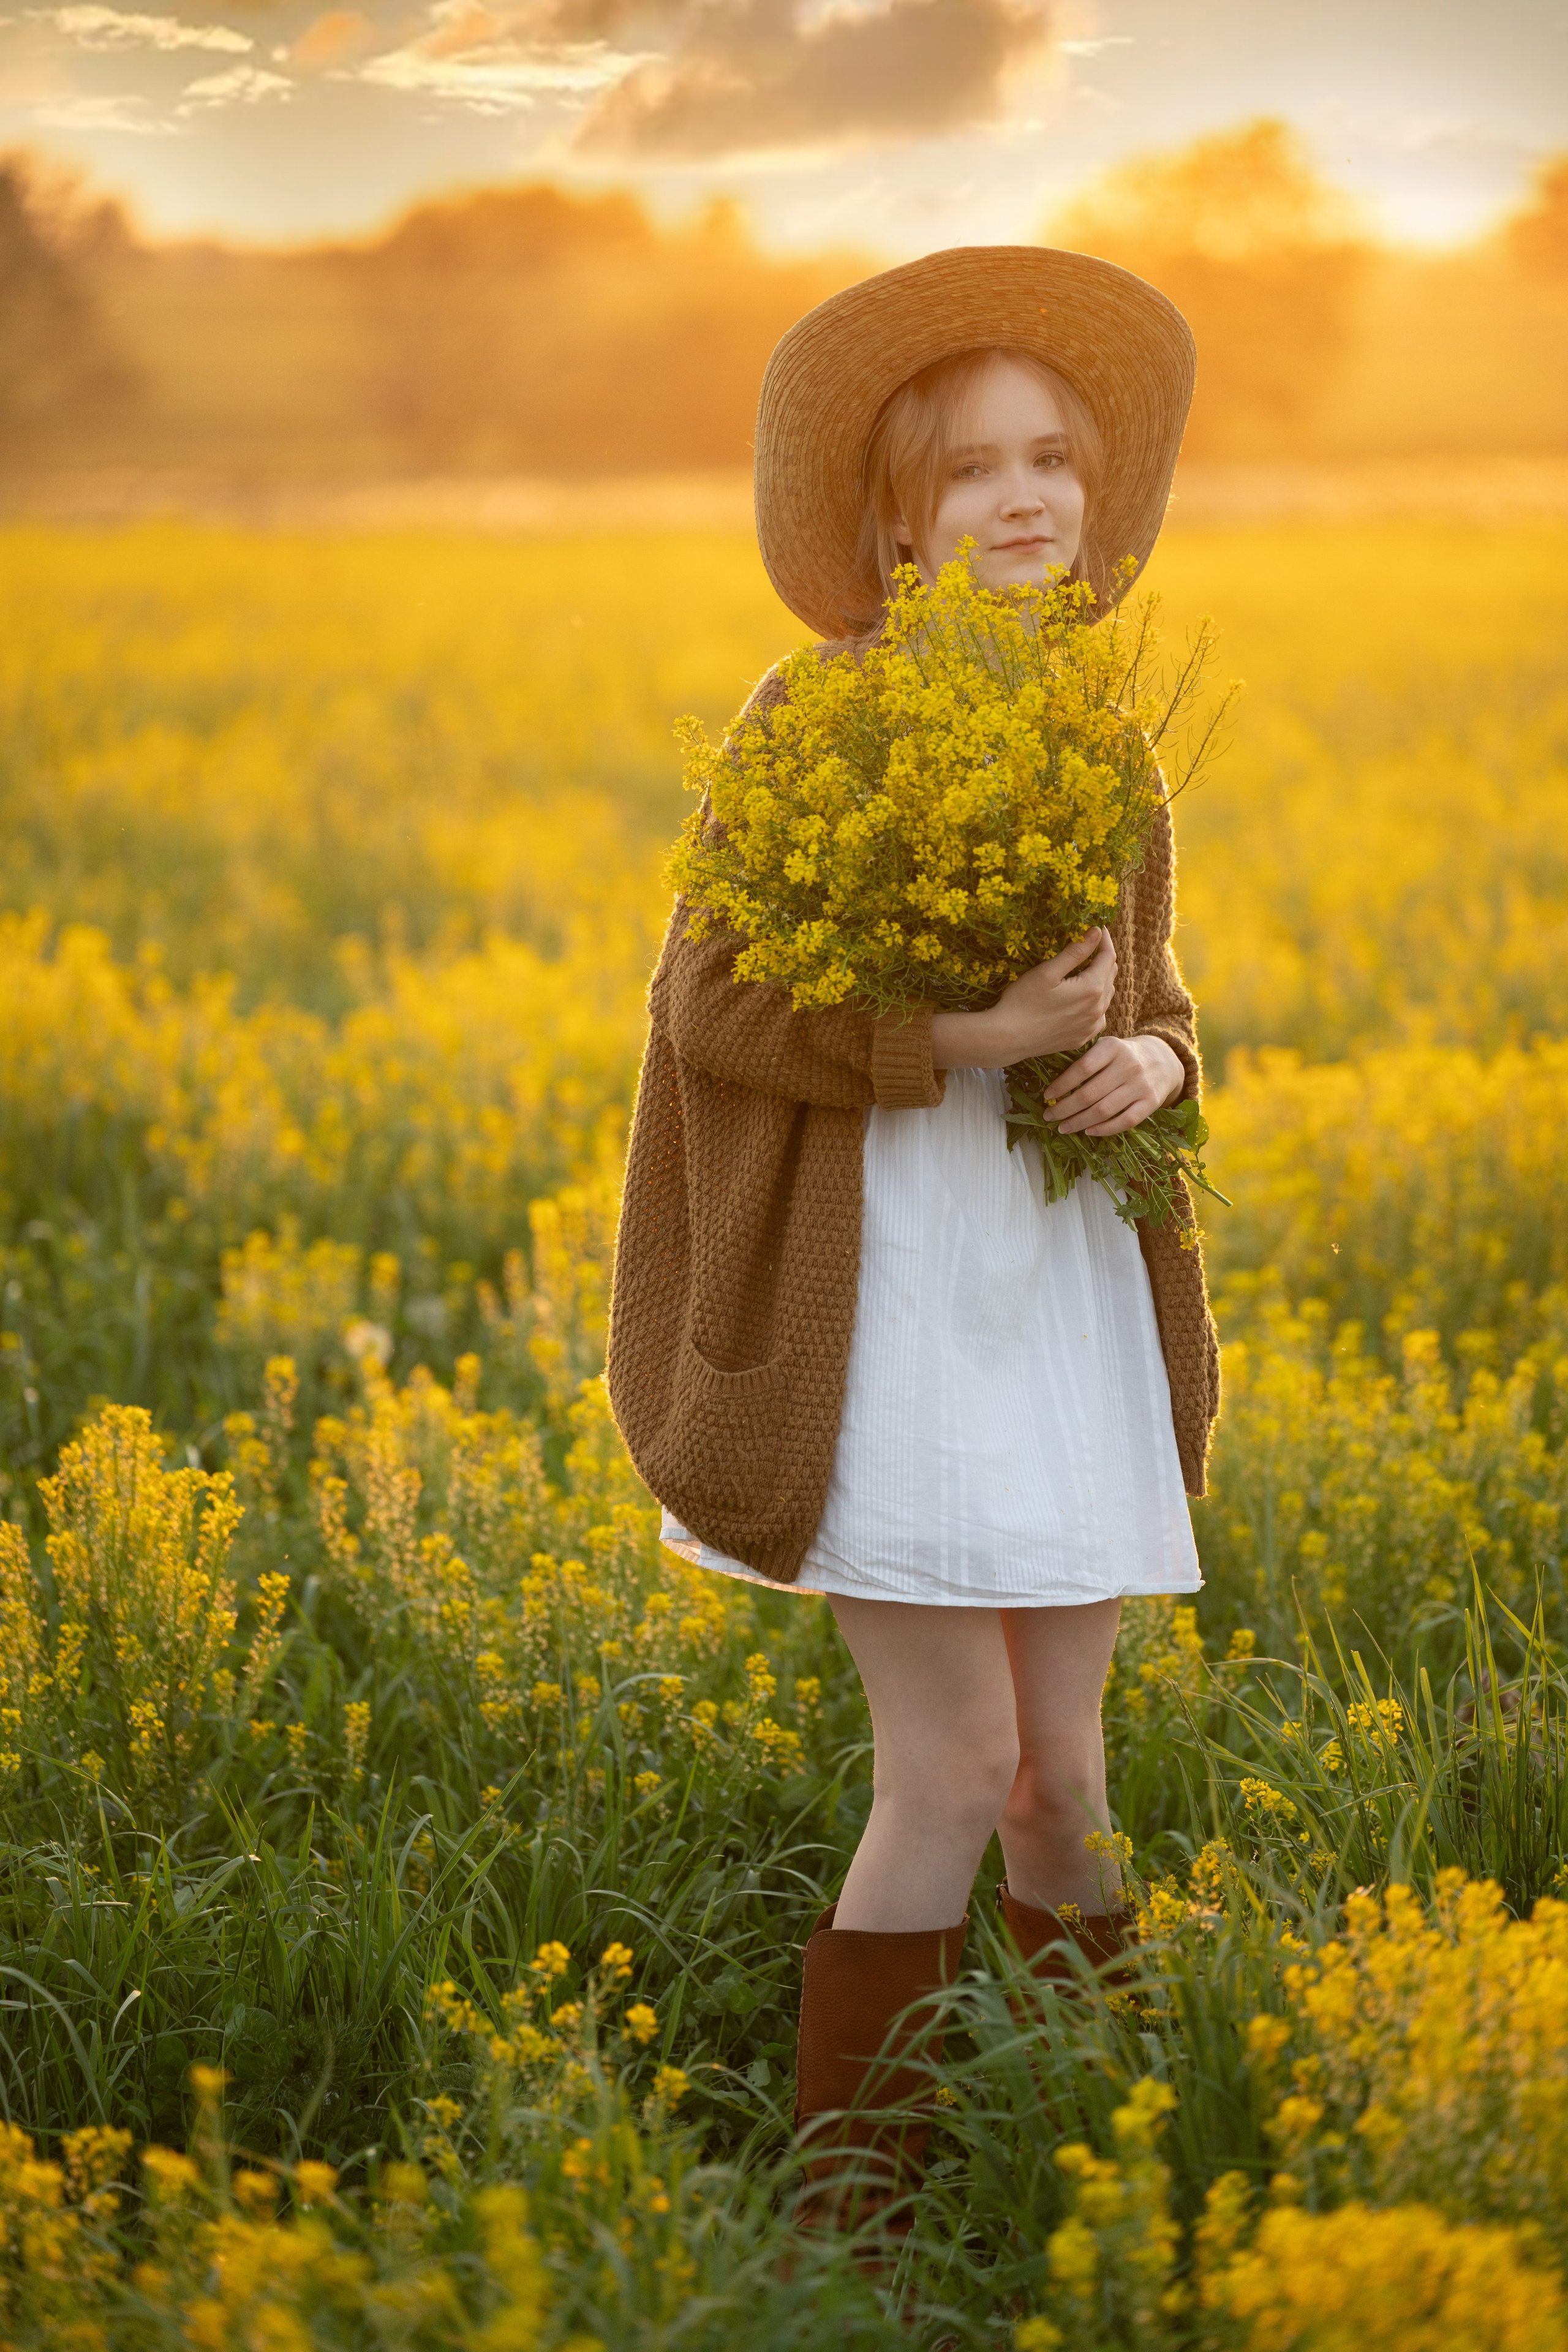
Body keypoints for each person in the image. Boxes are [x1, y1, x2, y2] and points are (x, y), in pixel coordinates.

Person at [606, 246, 1220, 2230]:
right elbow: (707, 1007)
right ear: (892, 515)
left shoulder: (1105, 736)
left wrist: (1149, 1064)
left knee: (1068, 1784)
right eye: (972, 472)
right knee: (952, 1771)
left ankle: (1100, 2168)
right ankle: (842, 2227)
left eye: (1055, 458)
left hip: (1054, 1301)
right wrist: (962, 1041)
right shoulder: (817, 712)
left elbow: (1156, 993)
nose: (1026, 497)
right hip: (884, 1313)